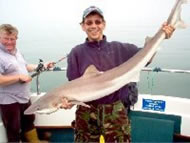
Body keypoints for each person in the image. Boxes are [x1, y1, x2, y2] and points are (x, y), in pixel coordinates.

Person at [61, 6, 175, 142]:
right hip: (86, 112)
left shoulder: (120, 49)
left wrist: (161, 35)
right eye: (89, 22)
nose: (94, 26)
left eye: (98, 22)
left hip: (115, 109)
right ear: (82, 26)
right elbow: (72, 86)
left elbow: (146, 57)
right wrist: (68, 103)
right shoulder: (76, 53)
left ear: (104, 24)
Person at [0, 24, 53, 142]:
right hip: (9, 100)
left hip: (24, 96)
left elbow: (25, 66)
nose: (9, 42)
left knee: (29, 121)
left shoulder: (17, 51)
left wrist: (42, 66)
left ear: (16, 39)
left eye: (12, 39)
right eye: (6, 38)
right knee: (14, 129)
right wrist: (19, 77)